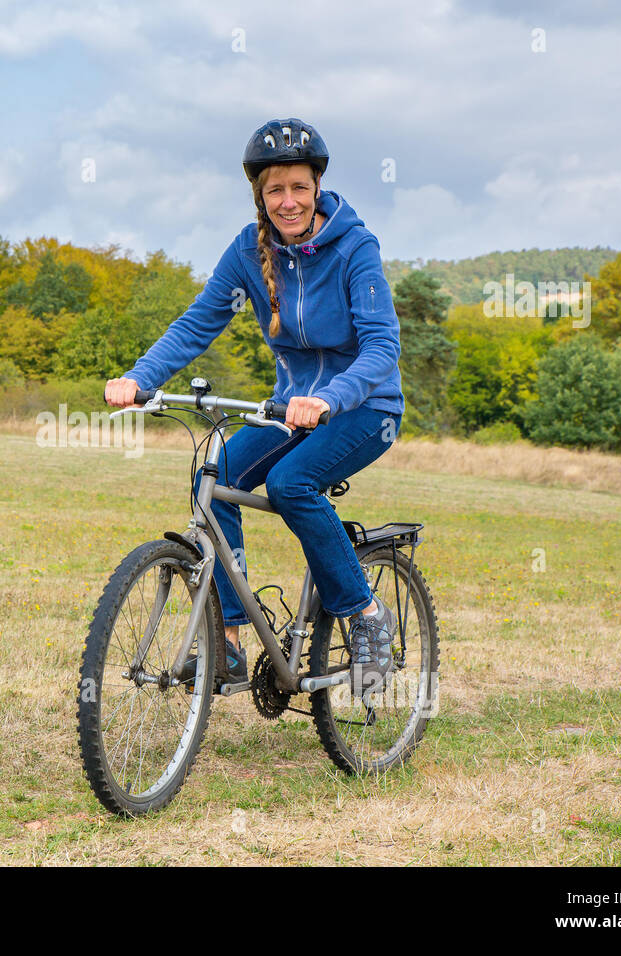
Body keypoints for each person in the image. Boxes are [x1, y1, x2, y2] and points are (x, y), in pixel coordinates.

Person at [104, 118, 405, 701]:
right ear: (259, 196)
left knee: (292, 483)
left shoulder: (355, 248)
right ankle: (232, 642)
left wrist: (330, 398)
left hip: (367, 408)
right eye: (274, 191)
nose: (287, 202)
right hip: (288, 410)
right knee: (215, 477)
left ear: (316, 187)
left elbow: (381, 348)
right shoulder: (249, 250)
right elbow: (197, 324)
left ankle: (366, 616)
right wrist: (140, 378)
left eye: (297, 187)